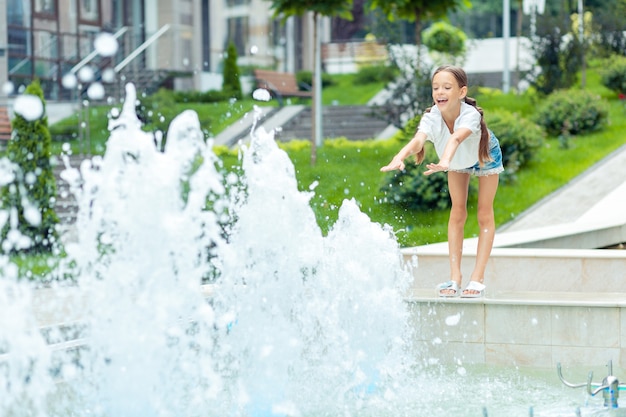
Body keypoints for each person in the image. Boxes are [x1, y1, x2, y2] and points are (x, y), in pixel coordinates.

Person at [380, 65, 504, 298]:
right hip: (454, 160)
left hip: (483, 155)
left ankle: (477, 277)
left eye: (447, 87)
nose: (440, 92)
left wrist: (445, 160)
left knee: (484, 213)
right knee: (457, 212)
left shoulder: (470, 114)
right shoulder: (432, 117)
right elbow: (418, 141)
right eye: (436, 87)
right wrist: (399, 156)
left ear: (461, 91)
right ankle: (455, 277)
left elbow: (457, 138)